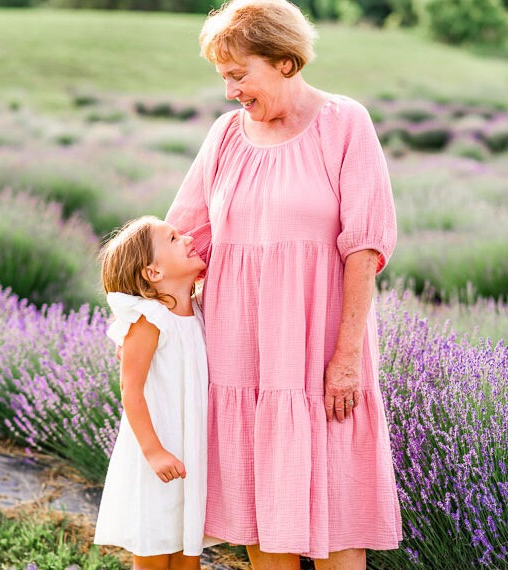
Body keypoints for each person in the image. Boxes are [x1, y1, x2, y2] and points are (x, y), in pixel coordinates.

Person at [165, 0, 402, 568]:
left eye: (238, 75)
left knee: (338, 499)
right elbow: (179, 241)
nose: (229, 92)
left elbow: (365, 247)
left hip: (323, 351)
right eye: (223, 78)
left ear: (285, 62)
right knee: (258, 504)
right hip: (240, 354)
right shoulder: (224, 137)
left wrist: (347, 356)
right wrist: (144, 325)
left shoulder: (345, 123)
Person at [94, 216, 214, 570]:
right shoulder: (149, 319)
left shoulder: (200, 312)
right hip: (155, 450)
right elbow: (130, 388)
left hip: (190, 448)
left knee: (187, 550)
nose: (189, 238)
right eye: (175, 238)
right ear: (153, 273)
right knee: (154, 548)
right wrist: (154, 451)